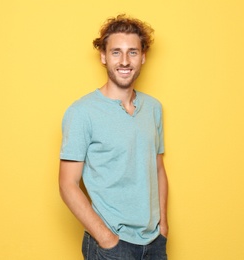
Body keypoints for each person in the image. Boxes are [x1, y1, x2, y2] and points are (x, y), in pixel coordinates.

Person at [59, 14, 169, 259]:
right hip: (110, 245)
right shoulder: (81, 112)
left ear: (143, 57)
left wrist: (163, 226)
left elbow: (158, 169)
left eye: (132, 52)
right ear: (103, 57)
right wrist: (107, 239)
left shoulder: (153, 108)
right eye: (116, 52)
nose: (125, 60)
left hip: (154, 243)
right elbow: (67, 184)